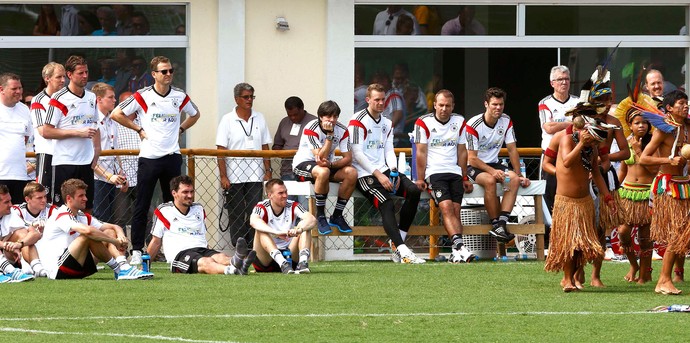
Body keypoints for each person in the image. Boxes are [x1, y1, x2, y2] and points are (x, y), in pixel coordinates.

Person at [111, 55, 200, 265]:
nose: (168, 74)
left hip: (172, 156)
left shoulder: (179, 96)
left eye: (170, 71)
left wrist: (181, 128)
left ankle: (173, 247)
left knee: (173, 204)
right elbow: (117, 113)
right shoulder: (143, 95)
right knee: (142, 203)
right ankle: (136, 250)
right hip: (150, 157)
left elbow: (195, 114)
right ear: (154, 74)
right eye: (164, 71)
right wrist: (138, 129)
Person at [349, 83, 424, 264]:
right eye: (377, 100)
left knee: (413, 191)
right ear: (368, 100)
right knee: (386, 203)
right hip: (364, 174)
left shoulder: (387, 122)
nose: (381, 103)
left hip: (383, 169)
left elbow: (389, 150)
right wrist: (379, 175)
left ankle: (398, 243)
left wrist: (393, 171)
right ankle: (404, 251)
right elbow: (357, 154)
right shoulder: (357, 121)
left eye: (383, 99)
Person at [544, 110, 611, 292]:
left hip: (585, 201)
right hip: (566, 202)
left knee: (583, 244)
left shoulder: (592, 147)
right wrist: (581, 143)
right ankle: (567, 279)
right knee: (569, 242)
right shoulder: (566, 140)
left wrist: (607, 196)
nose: (593, 143)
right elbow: (566, 162)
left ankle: (574, 277)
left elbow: (596, 172)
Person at [38, 178, 153, 280]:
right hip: (58, 270)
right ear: (69, 198)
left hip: (78, 266)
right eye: (81, 196)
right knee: (88, 235)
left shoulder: (81, 215)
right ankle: (120, 269)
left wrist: (121, 236)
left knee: (108, 232)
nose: (86, 198)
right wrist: (115, 242)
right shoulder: (61, 215)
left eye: (85, 195)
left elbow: (114, 226)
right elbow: (88, 232)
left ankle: (123, 267)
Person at [146, 175, 257, 275]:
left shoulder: (198, 209)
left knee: (221, 257)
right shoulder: (164, 211)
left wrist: (210, 252)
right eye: (185, 192)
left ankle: (237, 261)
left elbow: (202, 236)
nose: (190, 195)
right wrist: (145, 266)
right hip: (180, 255)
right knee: (206, 262)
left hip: (201, 249)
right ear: (174, 193)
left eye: (191, 191)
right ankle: (233, 270)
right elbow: (156, 242)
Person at [413, 90, 475, 263]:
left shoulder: (460, 121)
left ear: (453, 106)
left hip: (454, 172)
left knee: (456, 211)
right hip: (434, 172)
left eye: (448, 105)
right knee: (446, 207)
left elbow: (462, 151)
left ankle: (456, 253)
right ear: (435, 105)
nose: (444, 109)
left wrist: (464, 177)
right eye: (440, 105)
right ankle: (461, 247)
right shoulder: (423, 122)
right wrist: (420, 178)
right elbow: (421, 153)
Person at [639, 90, 690, 295]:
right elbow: (644, 158)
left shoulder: (687, 127)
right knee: (677, 234)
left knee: (683, 234)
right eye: (681, 103)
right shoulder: (664, 129)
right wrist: (668, 161)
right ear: (669, 108)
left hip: (685, 184)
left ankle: (666, 278)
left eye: (687, 103)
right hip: (668, 186)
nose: (685, 106)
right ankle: (663, 280)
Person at [466, 87, 530, 243]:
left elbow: (512, 149)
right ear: (486, 104)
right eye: (494, 104)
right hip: (474, 167)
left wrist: (519, 174)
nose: (498, 108)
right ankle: (496, 224)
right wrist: (492, 172)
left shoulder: (506, 120)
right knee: (489, 181)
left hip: (494, 165)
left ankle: (501, 223)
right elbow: (472, 158)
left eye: (501, 104)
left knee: (512, 180)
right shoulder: (473, 124)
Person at [216, 83, 272, 249]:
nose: (249, 100)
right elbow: (221, 150)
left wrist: (268, 170)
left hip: (256, 174)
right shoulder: (227, 119)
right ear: (237, 99)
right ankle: (240, 245)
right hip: (234, 175)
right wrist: (223, 175)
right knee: (237, 212)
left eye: (251, 97)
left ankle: (254, 245)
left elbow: (265, 146)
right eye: (246, 97)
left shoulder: (259, 117)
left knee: (255, 211)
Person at [293, 100, 357, 235]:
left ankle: (337, 215)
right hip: (304, 164)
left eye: (335, 117)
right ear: (321, 117)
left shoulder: (342, 130)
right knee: (323, 171)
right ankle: (321, 216)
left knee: (351, 172)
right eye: (328, 116)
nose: (332, 120)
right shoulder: (311, 128)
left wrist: (333, 164)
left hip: (328, 166)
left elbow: (348, 158)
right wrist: (329, 137)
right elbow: (320, 159)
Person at [43, 55, 100, 208]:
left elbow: (96, 125)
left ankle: (87, 232)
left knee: (87, 208)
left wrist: (97, 151)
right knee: (61, 208)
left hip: (86, 162)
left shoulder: (91, 96)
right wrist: (77, 132)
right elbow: (47, 132)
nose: (85, 76)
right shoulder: (58, 97)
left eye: (86, 72)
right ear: (69, 75)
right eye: (80, 73)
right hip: (64, 162)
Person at [613, 91, 657, 284]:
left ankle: (645, 274)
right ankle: (633, 264)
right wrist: (613, 190)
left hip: (647, 194)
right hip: (627, 193)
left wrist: (641, 151)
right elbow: (623, 170)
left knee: (646, 237)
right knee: (623, 232)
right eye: (637, 123)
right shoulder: (626, 144)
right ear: (629, 125)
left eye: (644, 122)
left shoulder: (652, 144)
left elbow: (655, 169)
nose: (641, 126)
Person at [250, 179, 316, 274]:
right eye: (280, 193)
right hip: (266, 260)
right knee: (260, 230)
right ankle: (282, 262)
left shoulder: (293, 205)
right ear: (270, 195)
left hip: (289, 257)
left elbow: (312, 219)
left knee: (305, 227)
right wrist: (275, 232)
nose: (285, 195)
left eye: (285, 192)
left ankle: (303, 263)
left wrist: (299, 230)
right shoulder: (262, 206)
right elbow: (253, 221)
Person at [538, 66, 579, 220]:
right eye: (560, 79)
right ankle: (551, 231)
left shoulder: (577, 102)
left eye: (566, 79)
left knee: (573, 191)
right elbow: (548, 128)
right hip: (551, 155)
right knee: (549, 192)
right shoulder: (545, 103)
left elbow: (581, 125)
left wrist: (559, 124)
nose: (564, 82)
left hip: (573, 153)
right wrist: (570, 123)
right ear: (552, 83)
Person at [91, 83, 126, 224]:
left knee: (112, 219)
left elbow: (114, 149)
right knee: (99, 218)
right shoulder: (92, 121)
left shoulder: (112, 121)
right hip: (97, 177)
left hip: (112, 177)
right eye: (110, 97)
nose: (114, 100)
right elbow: (90, 156)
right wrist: (108, 175)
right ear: (99, 99)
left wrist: (121, 173)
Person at [32, 62, 66, 200]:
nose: (63, 80)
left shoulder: (67, 98)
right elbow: (43, 132)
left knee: (63, 197)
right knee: (44, 197)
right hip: (48, 153)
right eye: (59, 77)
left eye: (64, 77)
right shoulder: (39, 100)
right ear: (47, 78)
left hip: (65, 154)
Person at [272, 96, 316, 200]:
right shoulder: (284, 122)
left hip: (306, 172)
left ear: (302, 109)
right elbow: (277, 145)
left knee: (305, 208)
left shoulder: (313, 122)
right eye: (290, 115)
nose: (293, 118)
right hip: (287, 171)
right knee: (287, 205)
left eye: (295, 114)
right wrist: (282, 152)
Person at [0, 184, 44, 280]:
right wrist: (4, 244)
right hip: (3, 256)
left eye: (10, 200)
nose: (11, 205)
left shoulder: (11, 213)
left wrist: (19, 244)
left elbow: (34, 234)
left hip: (5, 255)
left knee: (23, 233)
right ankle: (10, 271)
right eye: (6, 202)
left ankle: (38, 269)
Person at [0, 73, 33, 203]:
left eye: (20, 88)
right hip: (1, 173)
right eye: (14, 89)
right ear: (1, 89)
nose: (18, 91)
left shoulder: (24, 109)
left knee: (17, 216)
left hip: (20, 174)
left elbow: (25, 138)